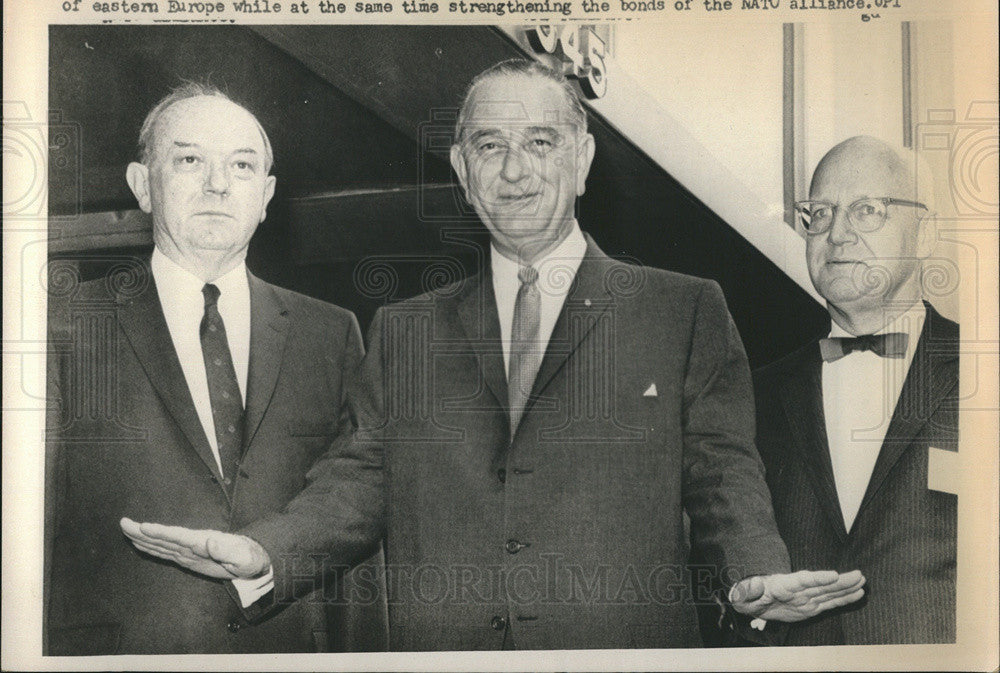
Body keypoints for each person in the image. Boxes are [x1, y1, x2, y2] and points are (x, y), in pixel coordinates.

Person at [121, 61, 865, 650]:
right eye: (489, 146)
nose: (514, 170)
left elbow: (724, 477)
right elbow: (353, 485)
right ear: (461, 169)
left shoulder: (683, 309)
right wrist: (265, 554)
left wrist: (757, 575)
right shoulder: (403, 331)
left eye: (540, 143)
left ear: (583, 158)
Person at [45, 84, 386, 654]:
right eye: (189, 159)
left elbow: (355, 511)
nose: (219, 184)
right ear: (141, 185)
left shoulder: (332, 333)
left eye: (242, 165)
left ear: (267, 194)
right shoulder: (57, 325)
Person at [749, 136, 959, 644]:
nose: (837, 235)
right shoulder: (756, 393)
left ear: (925, 234)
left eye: (867, 211)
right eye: (819, 213)